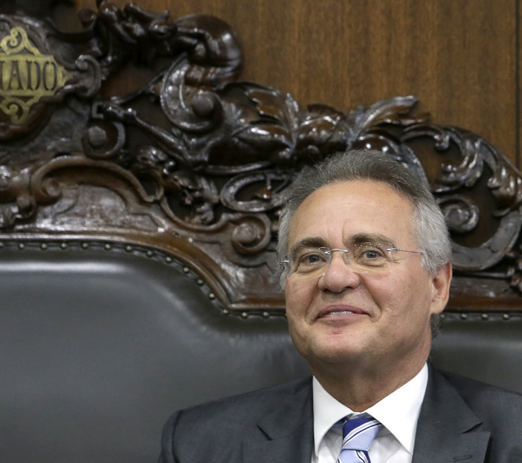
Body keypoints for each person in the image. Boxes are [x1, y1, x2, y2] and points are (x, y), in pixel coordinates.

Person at [157, 150, 522, 463]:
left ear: (437, 286)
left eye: (371, 253)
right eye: (312, 257)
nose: (334, 278)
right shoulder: (198, 445)